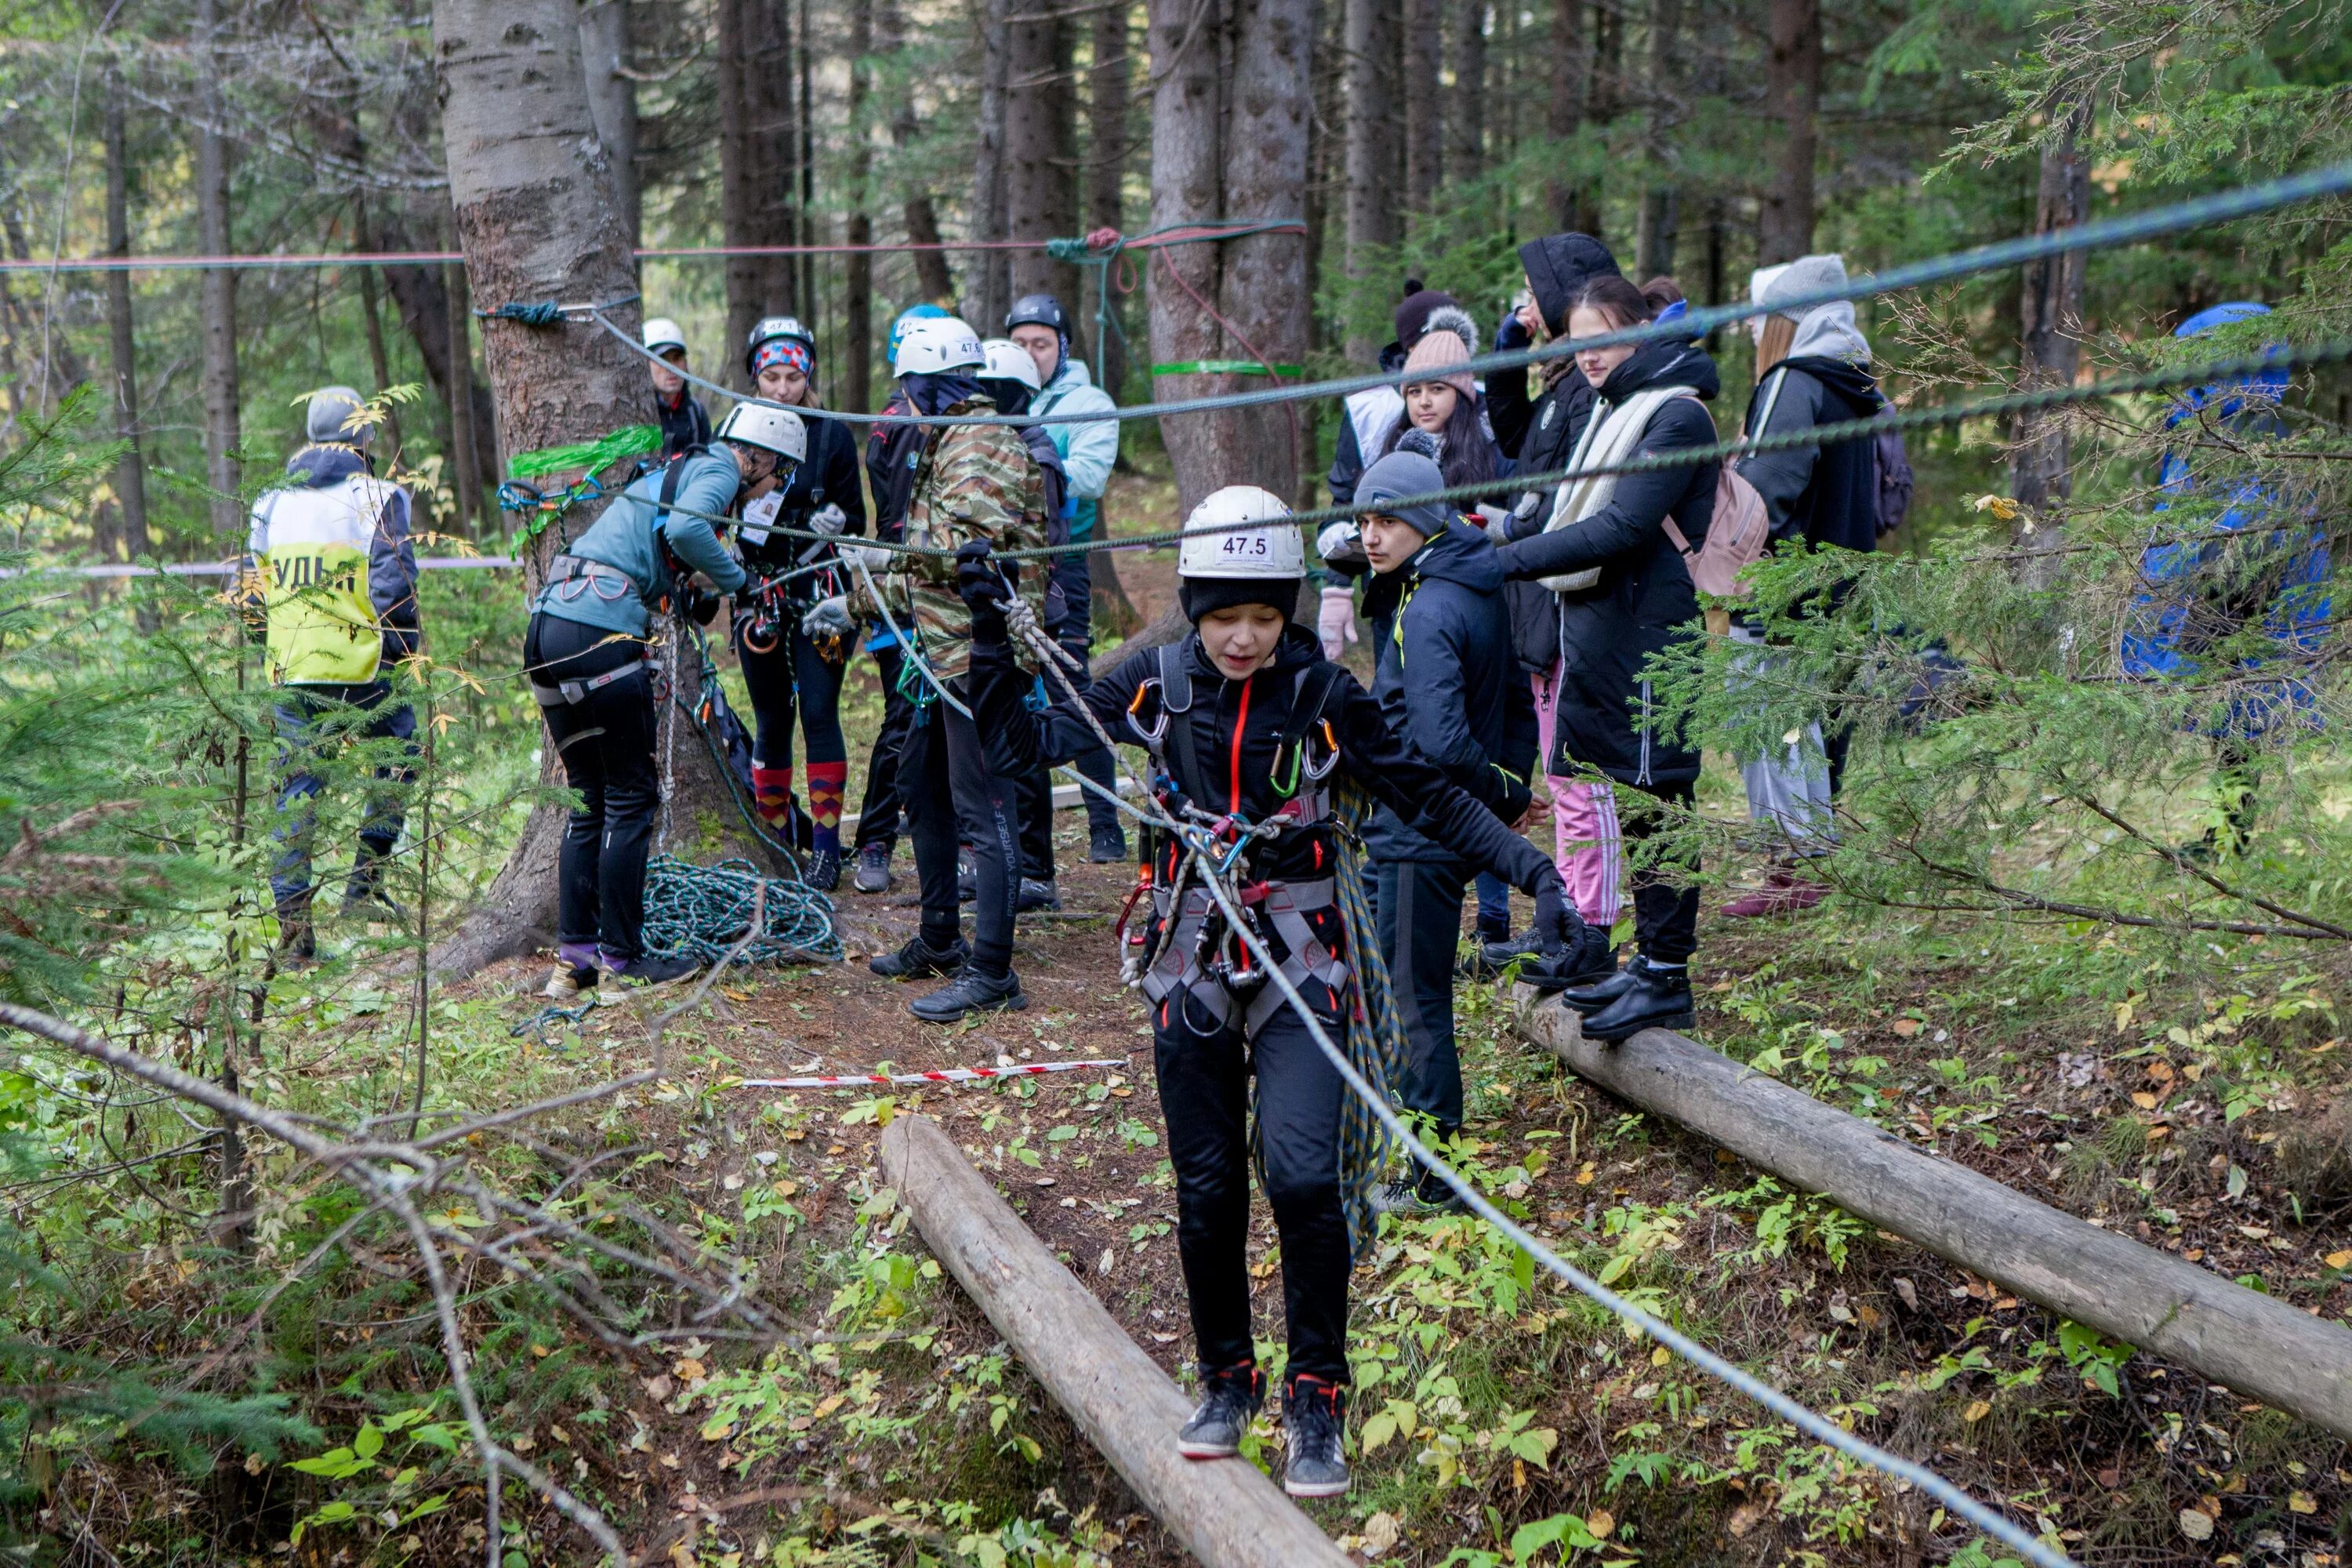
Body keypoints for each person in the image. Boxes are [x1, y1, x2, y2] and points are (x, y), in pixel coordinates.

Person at [953, 487, 1581, 1499]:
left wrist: (1535, 870)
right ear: (1194, 609)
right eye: (1223, 615)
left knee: (1298, 1179)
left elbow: (1428, 792)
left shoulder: (1326, 698)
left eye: (1263, 615)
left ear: (1288, 608)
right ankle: (1227, 1380)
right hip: (1191, 956)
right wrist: (994, 633)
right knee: (1206, 1192)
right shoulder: (1154, 683)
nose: (1244, 637)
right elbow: (1027, 739)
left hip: (1302, 958)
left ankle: (1318, 1397)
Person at [1349, 445, 1589, 1210]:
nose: (1372, 534)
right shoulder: (1473, 578)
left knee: (1412, 998)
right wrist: (1508, 788)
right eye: (1363, 519)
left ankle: (1433, 1173)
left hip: (1417, 821)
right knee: (1406, 985)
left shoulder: (1429, 608)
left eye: (1387, 519)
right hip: (1449, 818)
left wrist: (1499, 790)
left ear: (1424, 520)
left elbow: (1441, 738)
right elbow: (1519, 697)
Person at [801, 315, 1050, 1023]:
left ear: (925, 384)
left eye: (907, 386)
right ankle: (941, 935)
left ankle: (994, 969)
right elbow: (925, 568)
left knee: (982, 803)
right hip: (940, 651)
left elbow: (963, 553)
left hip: (980, 656)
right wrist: (856, 604)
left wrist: (874, 558)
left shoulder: (978, 442)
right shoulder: (946, 440)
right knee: (921, 783)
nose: (901, 400)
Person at [1494, 274, 1719, 1041]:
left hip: (1654, 642)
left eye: (1603, 337)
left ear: (1640, 331)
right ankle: (1647, 964)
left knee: (1661, 802)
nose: (1590, 355)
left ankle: (1666, 972)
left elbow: (1624, 525)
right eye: (1579, 339)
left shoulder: (1677, 413)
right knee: (1631, 795)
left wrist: (1507, 558)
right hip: (1605, 636)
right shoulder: (1615, 411)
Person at [525, 402, 804, 999]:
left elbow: (669, 546)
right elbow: (684, 531)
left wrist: (693, 586)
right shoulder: (721, 467)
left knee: (590, 798)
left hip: (550, 626)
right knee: (631, 798)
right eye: (779, 472)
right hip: (601, 627)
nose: (774, 486)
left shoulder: (669, 476)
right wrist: (740, 582)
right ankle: (622, 963)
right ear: (765, 456)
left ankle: (572, 963)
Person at [2121, 302, 2329, 855]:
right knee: (2231, 705)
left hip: (2244, 570)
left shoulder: (2248, 433)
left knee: (2241, 703)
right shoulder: (2207, 428)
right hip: (2224, 570)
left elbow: (2245, 510)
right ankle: (2225, 830)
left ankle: (2229, 835)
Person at [1720, 255, 1886, 917]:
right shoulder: (1847, 380)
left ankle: (1797, 873)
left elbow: (1768, 491)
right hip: (1835, 585)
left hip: (1782, 589)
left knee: (1773, 726)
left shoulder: (1794, 381)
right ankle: (1803, 866)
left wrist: (1737, 573)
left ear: (1786, 322)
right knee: (1801, 728)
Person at [1483, 234, 1631, 975]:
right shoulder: (1561, 390)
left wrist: (1511, 531)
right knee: (1562, 771)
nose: (1526, 305)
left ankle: (1590, 923)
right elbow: (1513, 432)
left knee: (1580, 776)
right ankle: (1573, 912)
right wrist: (1510, 340)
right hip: (1539, 605)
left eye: (1531, 294)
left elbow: (1574, 504)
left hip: (1572, 603)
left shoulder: (1596, 396)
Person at [244, 387, 420, 964]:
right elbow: (396, 590)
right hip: (365, 667)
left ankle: (296, 944)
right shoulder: (380, 497)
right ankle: (364, 888)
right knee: (403, 752)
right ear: (364, 438)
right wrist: (400, 656)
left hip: (292, 672)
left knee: (297, 799)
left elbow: (248, 599)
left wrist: (272, 647)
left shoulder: (270, 504)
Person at [733, 315, 869, 891]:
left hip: (821, 592)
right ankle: (777, 840)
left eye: (793, 376)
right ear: (756, 379)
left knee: (818, 711)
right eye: (773, 377)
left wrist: (834, 523)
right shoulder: (737, 429)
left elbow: (857, 519)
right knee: (771, 718)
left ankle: (826, 848)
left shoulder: (831, 434)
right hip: (759, 592)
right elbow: (723, 511)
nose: (784, 388)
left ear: (808, 375)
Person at [1008, 292, 1129, 864]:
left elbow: (1089, 475)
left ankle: (1105, 823)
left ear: (1063, 348)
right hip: (1006, 560)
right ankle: (1020, 836)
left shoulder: (1089, 402)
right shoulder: (999, 393)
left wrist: (1018, 468)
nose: (1030, 355)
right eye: (1020, 344)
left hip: (1065, 561)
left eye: (1041, 344)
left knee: (1072, 686)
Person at [847, 303, 953, 895]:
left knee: (948, 720)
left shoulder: (953, 423)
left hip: (941, 592)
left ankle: (948, 840)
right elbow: (899, 513)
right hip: (901, 590)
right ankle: (876, 839)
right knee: (901, 719)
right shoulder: (895, 424)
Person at [1318, 287, 1483, 664]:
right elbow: (1344, 503)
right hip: (1389, 590)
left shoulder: (1480, 403)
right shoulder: (1368, 409)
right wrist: (1338, 585)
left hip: (1464, 588)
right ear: (1409, 348)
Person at [978, 336, 1071, 912]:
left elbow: (1047, 544)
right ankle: (1001, 859)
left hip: (1026, 618)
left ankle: (1036, 868)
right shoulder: (991, 450)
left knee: (1022, 739)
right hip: (993, 614)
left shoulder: (1034, 455)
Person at [644, 318, 713, 459]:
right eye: (661, 359)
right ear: (644, 364)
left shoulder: (696, 412)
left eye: (677, 358)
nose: (671, 367)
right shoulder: (638, 412)